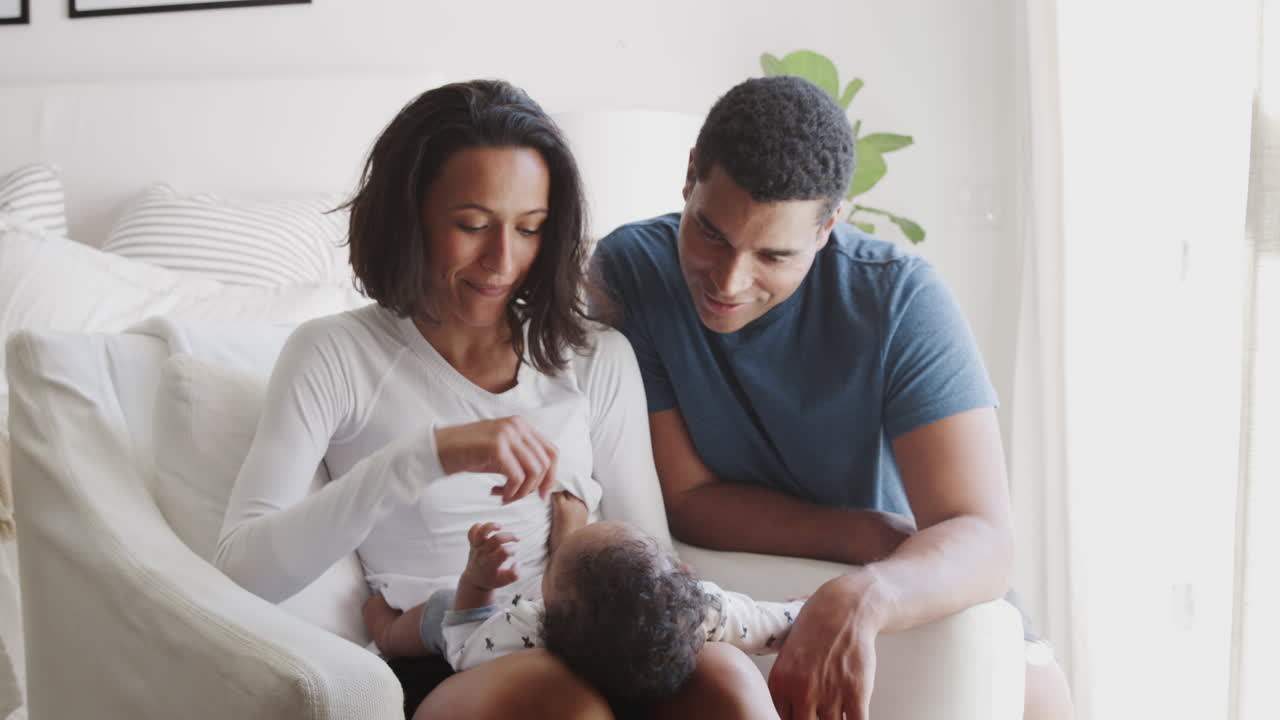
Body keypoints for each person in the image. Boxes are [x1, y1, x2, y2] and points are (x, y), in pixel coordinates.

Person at [214, 79, 773, 720]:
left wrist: (575, 542)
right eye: (473, 225)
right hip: (451, 653)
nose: (502, 261)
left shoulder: (597, 357)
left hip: (598, 639)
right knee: (562, 705)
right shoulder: (336, 355)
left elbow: (650, 555)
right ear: (410, 215)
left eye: (529, 228)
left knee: (728, 681)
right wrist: (430, 455)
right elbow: (239, 573)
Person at [591, 76, 1075, 720]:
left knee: (1038, 698)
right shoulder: (632, 269)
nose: (730, 281)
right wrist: (868, 534)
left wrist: (862, 595)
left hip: (908, 579)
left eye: (773, 254)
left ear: (827, 229)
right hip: (843, 557)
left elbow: (984, 535)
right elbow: (687, 500)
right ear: (689, 177)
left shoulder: (899, 301)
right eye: (711, 233)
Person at [364, 491, 804, 710]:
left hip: (546, 691)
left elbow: (462, 644)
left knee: (443, 609)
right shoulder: (701, 610)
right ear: (684, 574)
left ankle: (385, 630)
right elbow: (771, 624)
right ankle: (568, 543)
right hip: (645, 704)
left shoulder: (524, 632)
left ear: (542, 611)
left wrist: (476, 582)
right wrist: (805, 609)